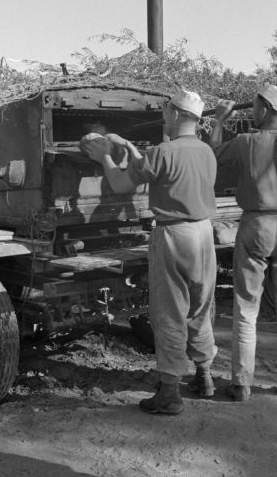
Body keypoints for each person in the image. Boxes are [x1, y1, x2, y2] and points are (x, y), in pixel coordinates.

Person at [82, 89, 218, 415]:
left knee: (169, 313)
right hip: (203, 234)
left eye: (166, 111)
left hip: (173, 236)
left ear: (174, 114)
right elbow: (149, 166)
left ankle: (170, 392)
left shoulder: (163, 152)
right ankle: (205, 376)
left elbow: (120, 185)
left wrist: (104, 158)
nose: (164, 116)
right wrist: (126, 146)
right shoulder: (206, 152)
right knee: (200, 307)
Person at [210, 84, 277, 402]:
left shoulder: (246, 142)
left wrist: (218, 121)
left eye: (255, 107)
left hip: (256, 224)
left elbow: (213, 154)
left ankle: (242, 384)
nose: (252, 112)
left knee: (246, 305)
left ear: (267, 108)